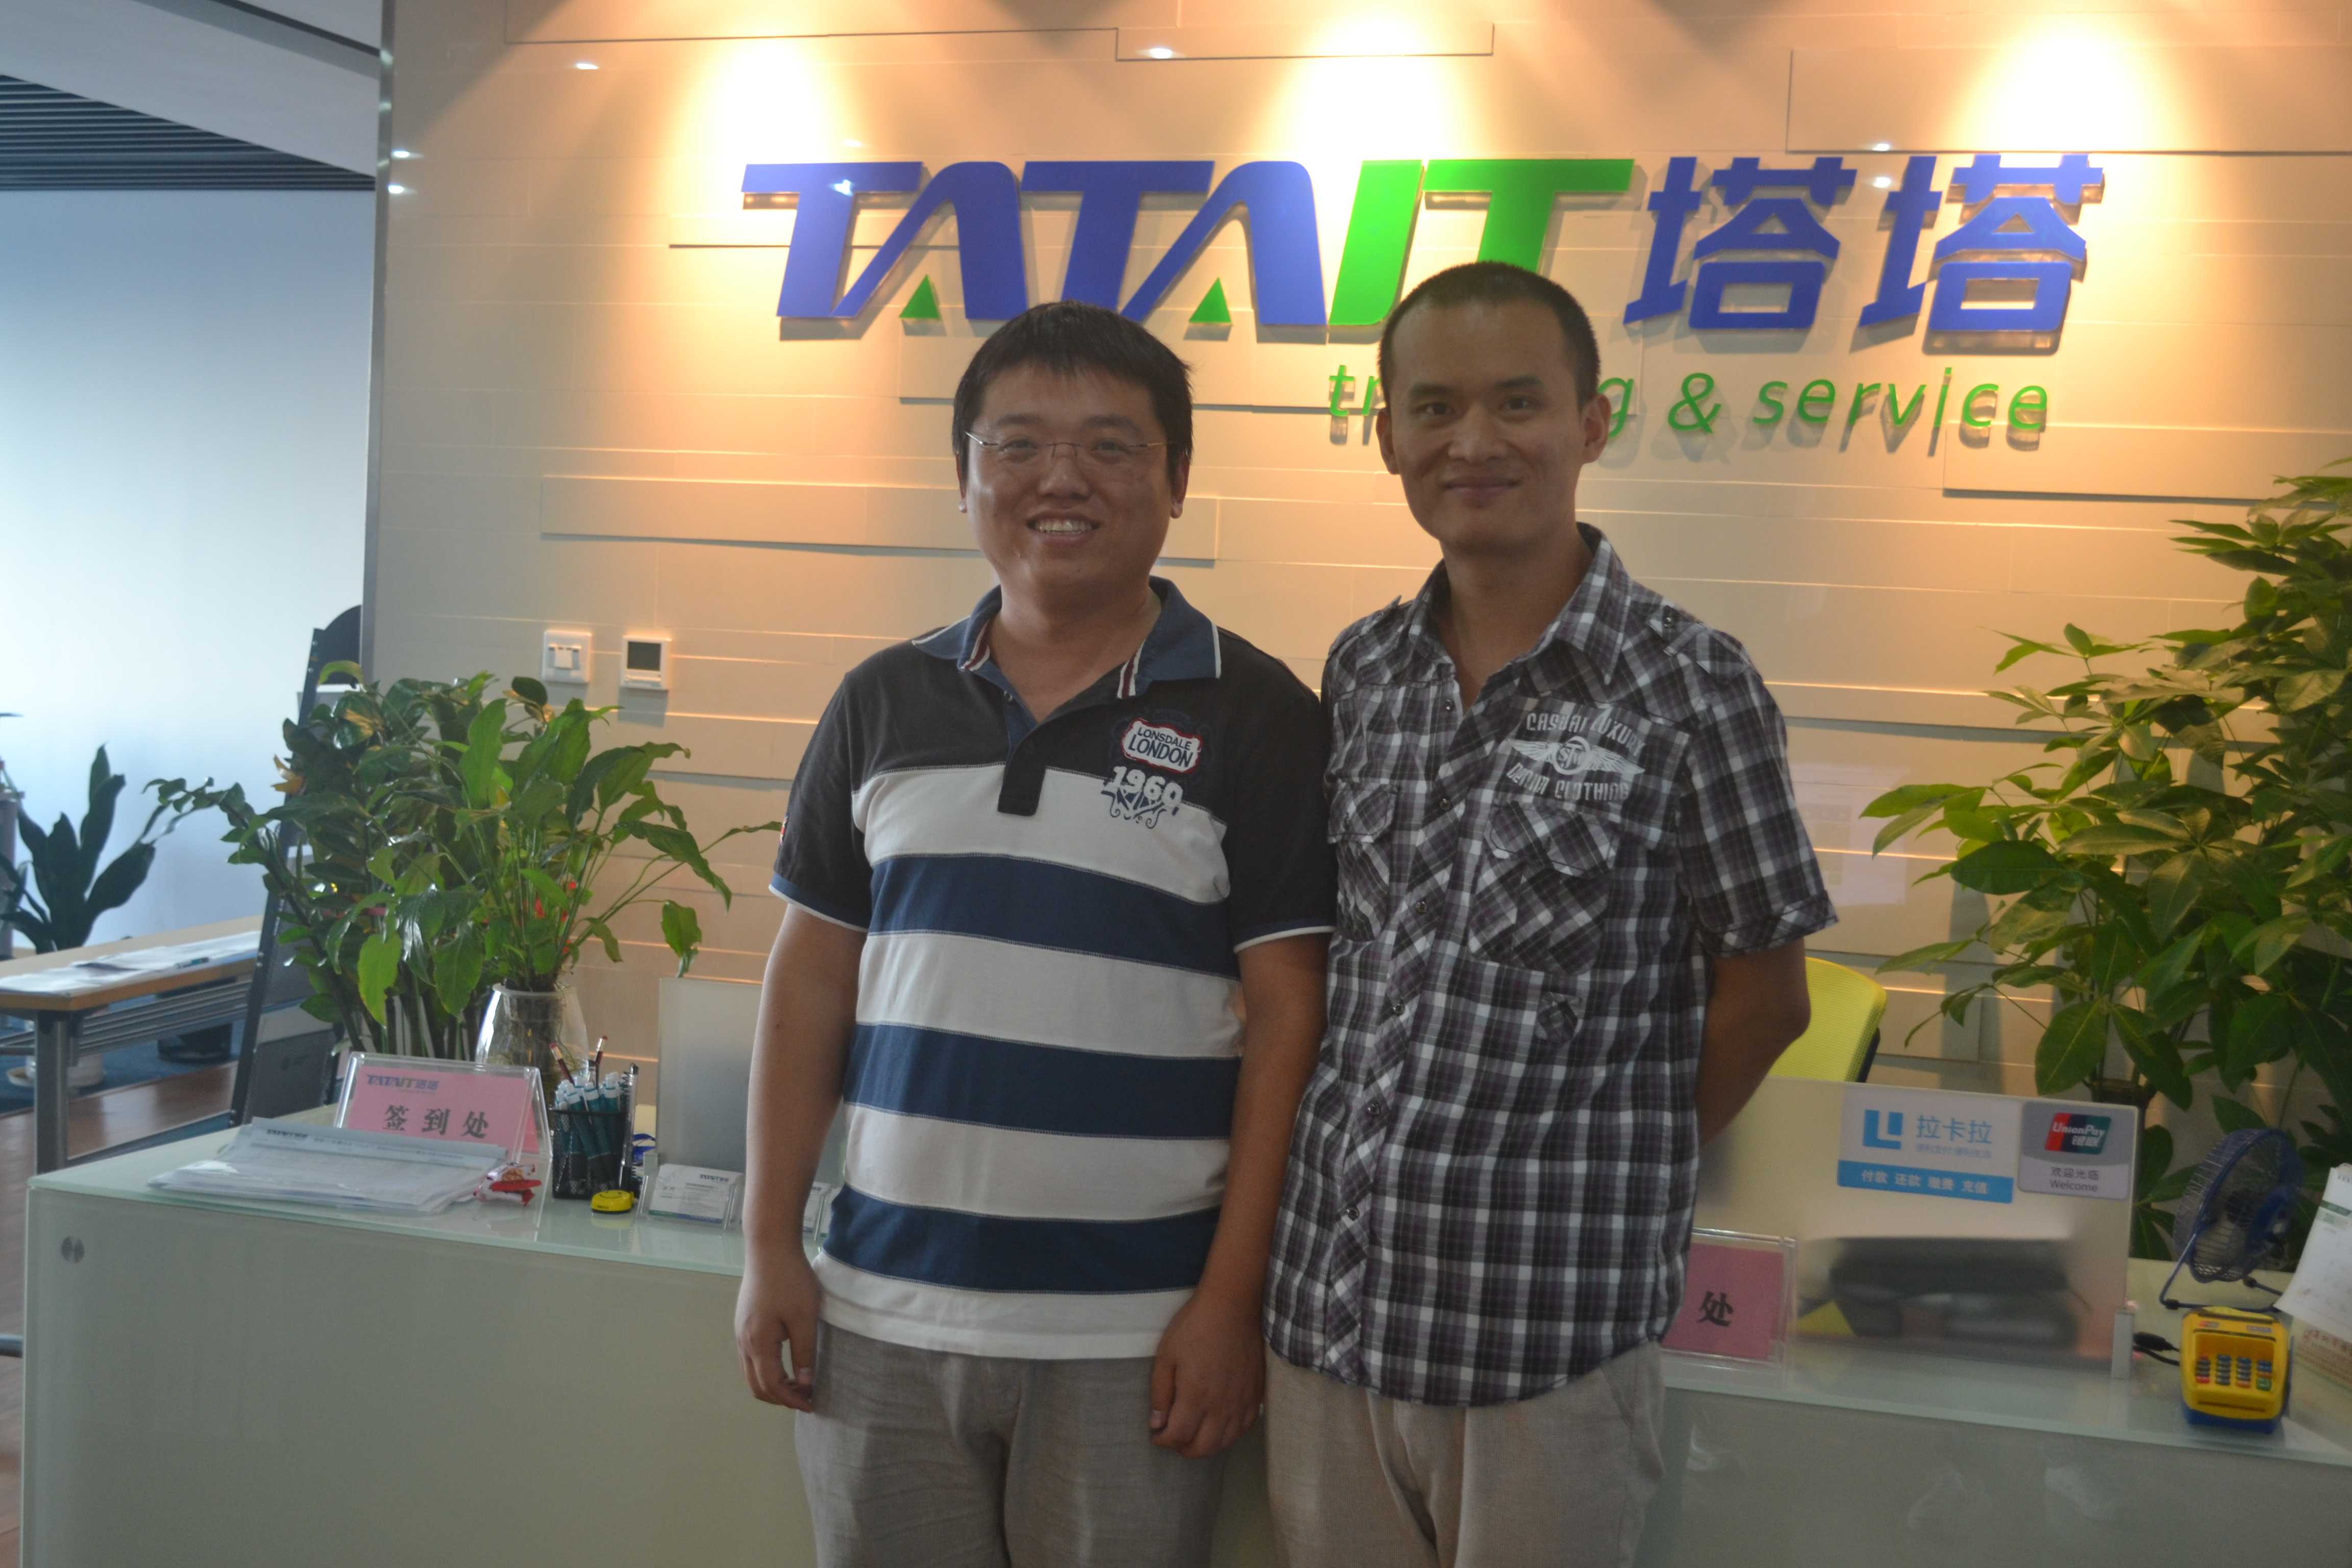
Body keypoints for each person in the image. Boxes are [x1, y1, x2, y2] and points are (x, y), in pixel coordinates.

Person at [734, 299, 1335, 1568]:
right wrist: (769, 1246)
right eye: (1018, 445)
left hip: (1134, 1332)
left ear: (1177, 480)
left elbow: (1292, 1019)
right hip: (879, 1314)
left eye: (1112, 445)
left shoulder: (1261, 714)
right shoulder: (882, 702)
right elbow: (809, 986)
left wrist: (1231, 1302)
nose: (1062, 478)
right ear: (964, 475)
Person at [1263, 261, 1835, 1568]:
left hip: (1544, 1338)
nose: (1474, 441)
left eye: (1517, 403)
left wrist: (1613, 1154)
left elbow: (1768, 997)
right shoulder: (1363, 670)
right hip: (1326, 1323)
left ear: (1591, 422)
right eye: (1435, 408)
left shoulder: (1692, 687)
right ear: (1387, 436)